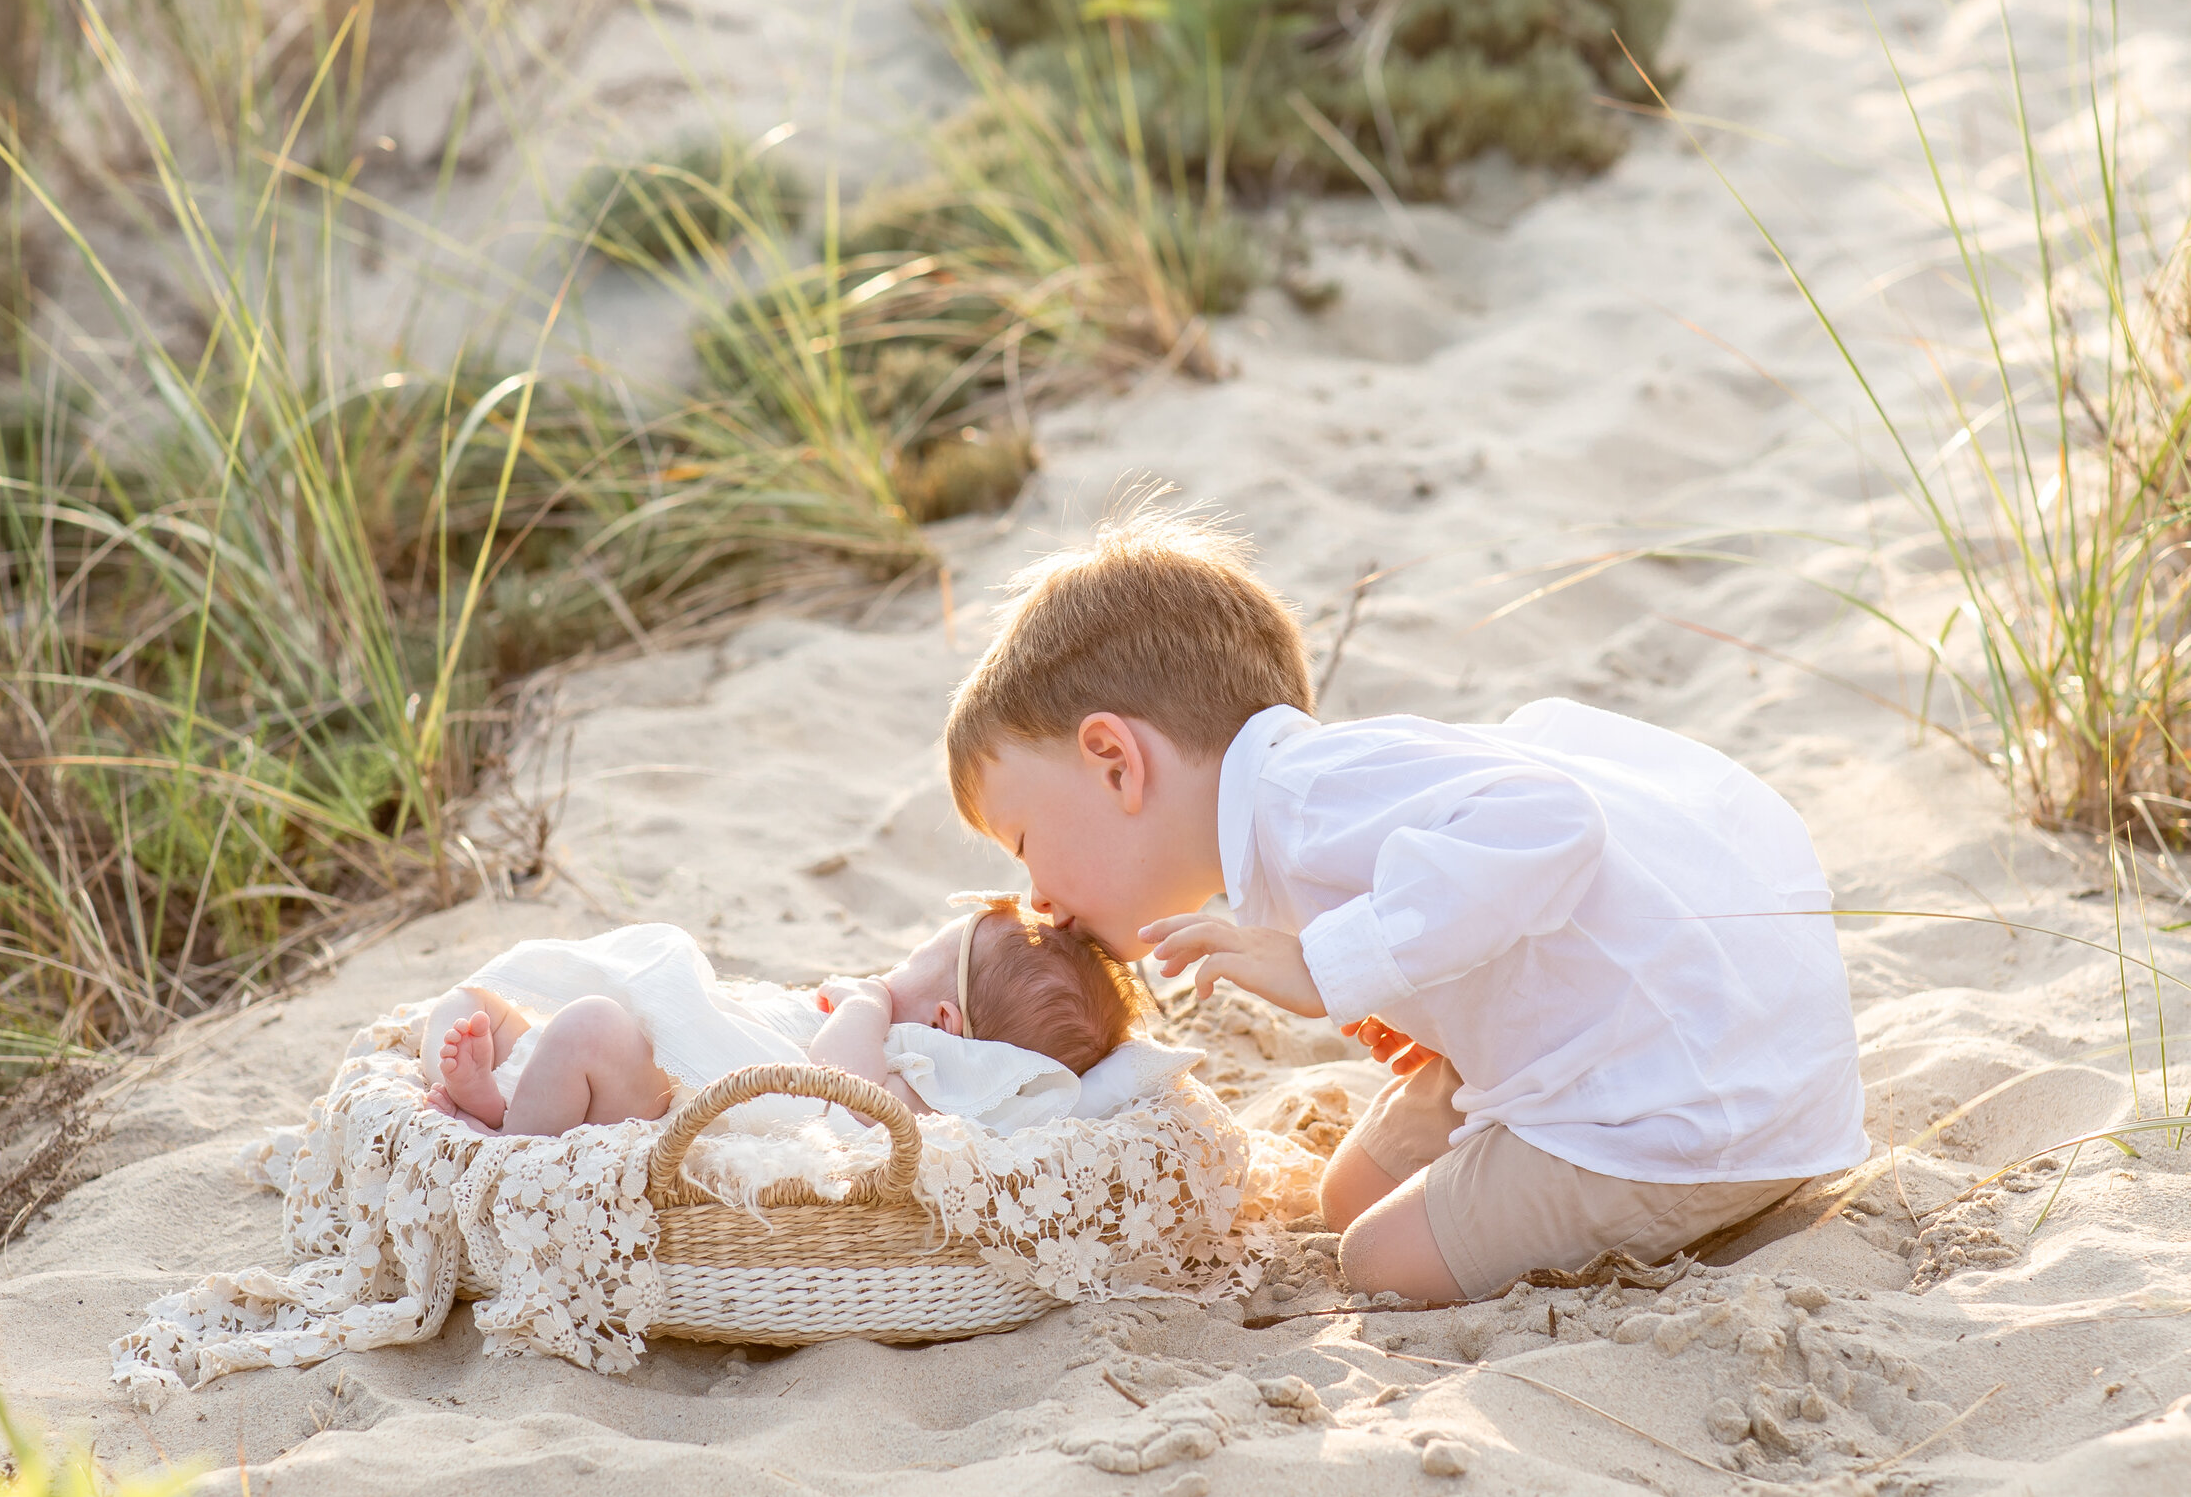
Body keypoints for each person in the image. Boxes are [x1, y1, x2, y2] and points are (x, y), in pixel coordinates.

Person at [941, 511, 1867, 1302]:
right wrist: (1430, 997)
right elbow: (1509, 899)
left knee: (1379, 1256)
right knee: (1350, 1191)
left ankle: (1685, 1186)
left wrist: (1326, 967)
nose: (1040, 900)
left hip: (1686, 1098)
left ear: (1115, 761)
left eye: (1025, 843)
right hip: (1649, 1029)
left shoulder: (1309, 799)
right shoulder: (1298, 804)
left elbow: (1548, 822)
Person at [422, 902, 1141, 1139]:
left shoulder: (928, 1076)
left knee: (588, 1027)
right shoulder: (908, 1036)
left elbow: (843, 1093)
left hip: (665, 1105)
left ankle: (505, 1144)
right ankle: (501, 1097)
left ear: (946, 1020)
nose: (897, 966)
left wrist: (866, 1005)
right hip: (646, 1071)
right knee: (471, 1004)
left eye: (923, 953)